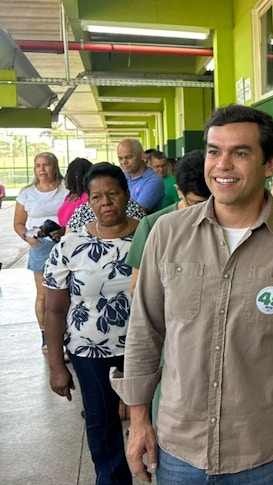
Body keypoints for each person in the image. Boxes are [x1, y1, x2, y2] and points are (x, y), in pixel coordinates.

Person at [111, 104, 273, 485]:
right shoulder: (167, 233)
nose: (223, 165)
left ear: (269, 164)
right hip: (179, 447)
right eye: (215, 151)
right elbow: (144, 329)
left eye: (240, 153)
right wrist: (138, 420)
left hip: (265, 451)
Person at [43, 162, 138, 485]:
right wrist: (57, 364)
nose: (106, 202)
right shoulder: (70, 246)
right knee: (101, 421)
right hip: (89, 348)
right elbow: (54, 310)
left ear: (126, 195)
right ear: (88, 202)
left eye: (113, 194)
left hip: (148, 345)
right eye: (96, 197)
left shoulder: (152, 236)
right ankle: (112, 480)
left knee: (157, 417)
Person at [126, 149, 211, 295]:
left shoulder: (225, 220)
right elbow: (137, 288)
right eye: (197, 203)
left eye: (213, 201)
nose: (206, 210)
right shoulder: (152, 226)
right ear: (179, 191)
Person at [13, 151, 68, 354]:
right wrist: (28, 237)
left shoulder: (66, 188)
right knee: (44, 294)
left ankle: (68, 335)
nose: (42, 169)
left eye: (46, 165)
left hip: (65, 242)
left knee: (68, 291)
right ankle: (47, 337)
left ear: (55, 166)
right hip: (41, 245)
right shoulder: (27, 193)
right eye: (38, 166)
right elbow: (18, 223)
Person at [117, 138, 164, 213]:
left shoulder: (154, 181)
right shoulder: (121, 177)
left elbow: (136, 213)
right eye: (120, 158)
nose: (124, 162)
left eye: (128, 157)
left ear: (142, 155)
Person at [57, 157, 93, 228]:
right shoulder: (69, 196)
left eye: (68, 173)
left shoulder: (87, 199)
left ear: (76, 176)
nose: (65, 177)